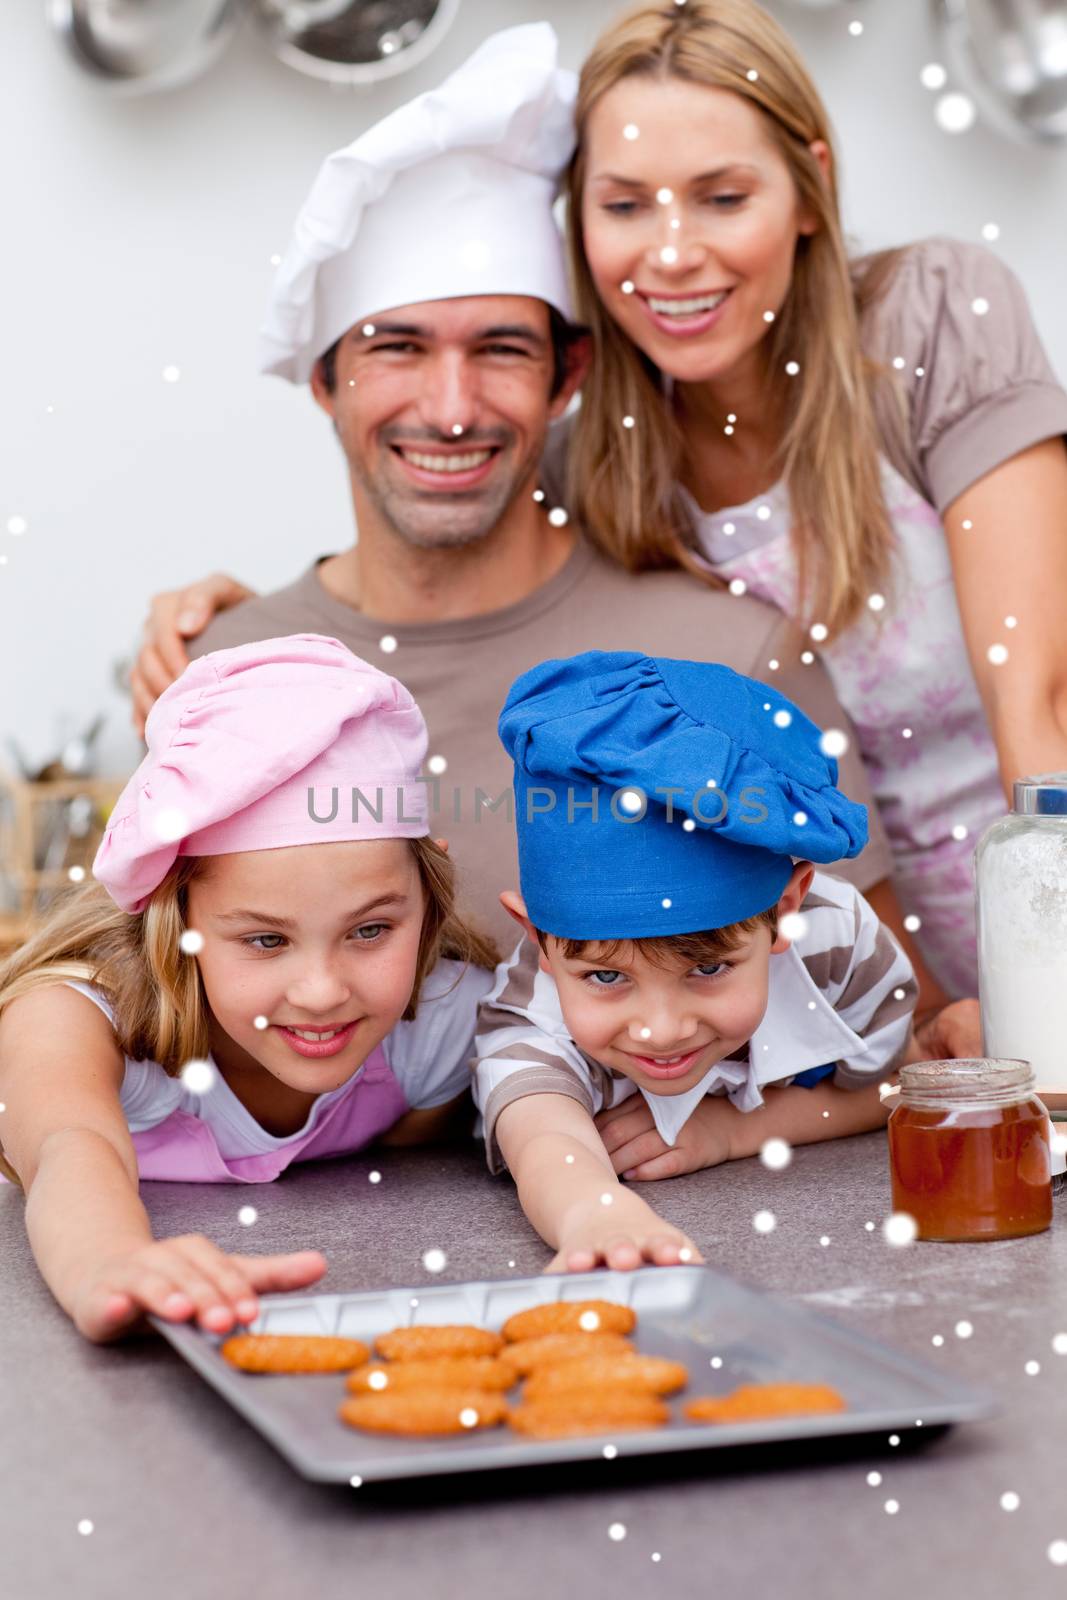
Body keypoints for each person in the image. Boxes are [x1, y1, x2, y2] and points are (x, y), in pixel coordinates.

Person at [122, 26, 935, 1006]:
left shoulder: (728, 657)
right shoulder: (222, 677)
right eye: (397, 347)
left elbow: (893, 1018)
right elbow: (116, 1004)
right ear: (324, 381)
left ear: (567, 377)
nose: (452, 406)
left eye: (501, 348)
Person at [558, 0, 1067, 999]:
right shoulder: (588, 466)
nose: (667, 253)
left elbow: (1037, 706)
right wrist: (226, 609)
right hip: (848, 1017)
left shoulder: (933, 318)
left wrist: (1035, 1017)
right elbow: (438, 598)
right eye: (623, 206)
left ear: (807, 187)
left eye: (719, 196)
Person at [0, 636, 495, 1342]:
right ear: (175, 911)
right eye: (265, 940)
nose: (322, 992)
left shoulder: (443, 1017)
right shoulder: (74, 1017)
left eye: (369, 931)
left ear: (429, 890)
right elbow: (68, 1147)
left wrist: (713, 1126)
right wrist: (109, 1260)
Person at [473, 651, 919, 1271]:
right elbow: (542, 1135)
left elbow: (897, 1083)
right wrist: (595, 1211)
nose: (661, 1029)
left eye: (707, 970)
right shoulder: (529, 1011)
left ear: (788, 907)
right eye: (606, 977)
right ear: (539, 938)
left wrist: (735, 1133)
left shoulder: (843, 950)